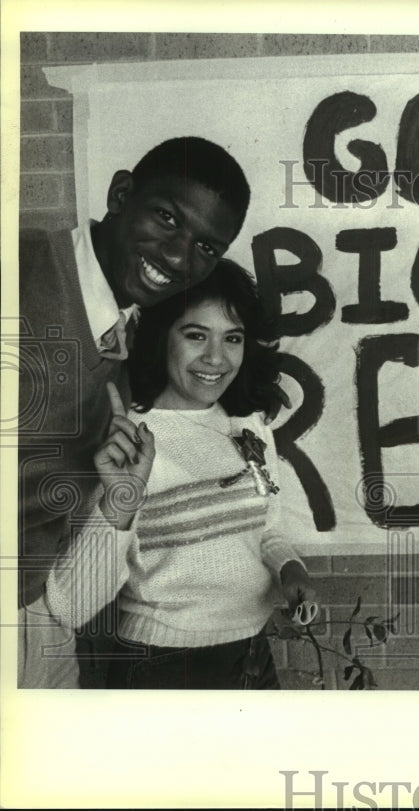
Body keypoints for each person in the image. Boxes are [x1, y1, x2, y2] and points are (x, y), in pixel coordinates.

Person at [17, 136, 251, 687]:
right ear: (122, 194)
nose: (177, 256)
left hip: (35, 616)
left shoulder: (121, 339)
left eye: (206, 248)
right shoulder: (21, 268)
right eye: (167, 218)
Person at [45, 259, 313, 689]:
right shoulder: (128, 441)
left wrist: (290, 569)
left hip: (252, 659)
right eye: (195, 335)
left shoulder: (247, 423)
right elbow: (71, 607)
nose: (215, 358)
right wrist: (121, 502)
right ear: (161, 336)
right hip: (162, 667)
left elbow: (268, 529)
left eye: (233, 338)